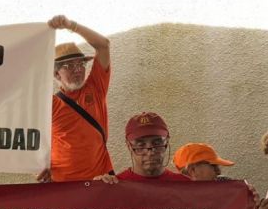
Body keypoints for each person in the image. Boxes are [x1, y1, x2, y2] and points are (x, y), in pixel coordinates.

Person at [36, 15, 112, 183]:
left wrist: (71, 25)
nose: (77, 70)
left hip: (100, 182)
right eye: (69, 66)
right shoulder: (49, 104)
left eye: (80, 64)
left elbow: (103, 45)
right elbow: (33, 140)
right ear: (56, 73)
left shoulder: (96, 88)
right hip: (63, 187)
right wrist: (41, 165)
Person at [96, 112, 190, 183]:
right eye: (141, 145)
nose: (150, 152)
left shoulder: (185, 186)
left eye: (157, 143)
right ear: (129, 146)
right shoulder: (116, 185)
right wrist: (96, 191)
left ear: (167, 141)